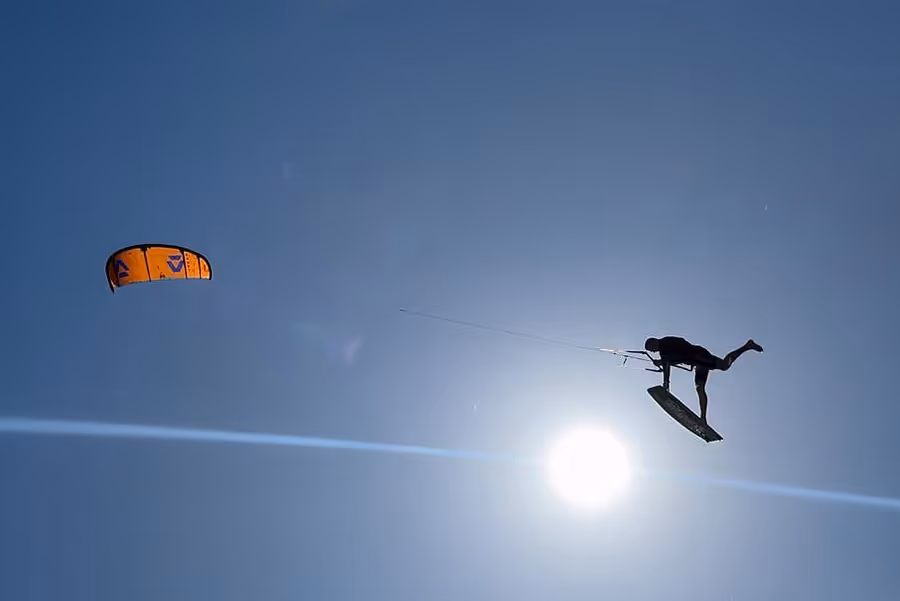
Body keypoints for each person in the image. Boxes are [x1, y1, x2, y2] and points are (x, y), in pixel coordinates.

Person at [643, 336, 763, 425]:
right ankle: (703, 419)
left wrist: (665, 383)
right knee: (700, 388)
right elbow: (667, 364)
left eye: (651, 348)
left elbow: (679, 348)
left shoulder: (666, 342)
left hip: (699, 355)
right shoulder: (664, 353)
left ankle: (747, 346)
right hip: (697, 363)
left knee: (724, 365)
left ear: (654, 341)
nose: (653, 351)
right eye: (651, 351)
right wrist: (663, 363)